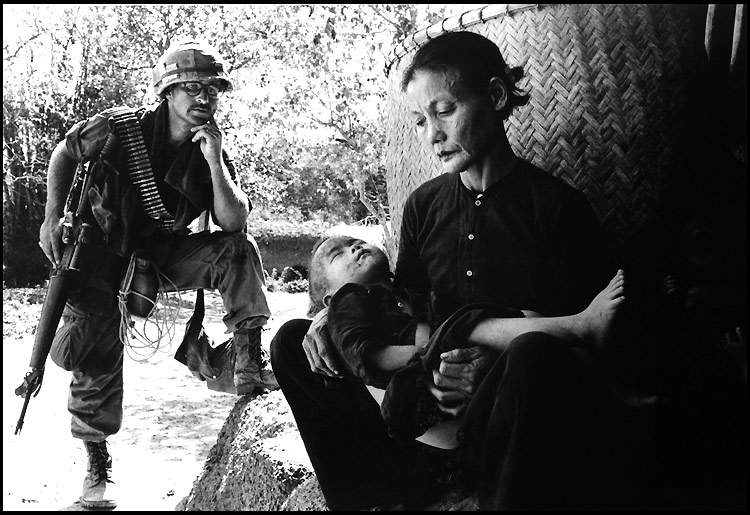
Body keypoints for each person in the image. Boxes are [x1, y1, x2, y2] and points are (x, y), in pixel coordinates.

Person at [271, 31, 652, 510]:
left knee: (533, 355)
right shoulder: (423, 206)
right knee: (293, 341)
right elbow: (401, 304)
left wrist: (487, 367)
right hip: (424, 412)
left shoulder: (554, 208)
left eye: (445, 111)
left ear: (495, 96)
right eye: (419, 121)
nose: (432, 134)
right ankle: (375, 501)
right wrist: (332, 316)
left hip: (504, 420)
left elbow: (580, 343)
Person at [38, 40, 277, 509]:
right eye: (192, 88)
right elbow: (64, 153)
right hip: (99, 256)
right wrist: (52, 216)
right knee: (94, 353)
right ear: (167, 92)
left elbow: (233, 222)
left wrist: (214, 160)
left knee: (237, 251)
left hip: (160, 257)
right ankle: (97, 459)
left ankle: (248, 361)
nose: (204, 98)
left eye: (212, 89)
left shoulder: (209, 147)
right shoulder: (118, 127)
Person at [309, 234, 627, 447]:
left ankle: (615, 392)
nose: (354, 247)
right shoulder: (347, 307)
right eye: (339, 254)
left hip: (448, 373)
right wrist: (420, 352)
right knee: (465, 323)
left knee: (524, 318)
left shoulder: (405, 295)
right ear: (330, 301)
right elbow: (366, 357)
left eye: (356, 241)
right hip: (413, 392)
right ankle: (580, 326)